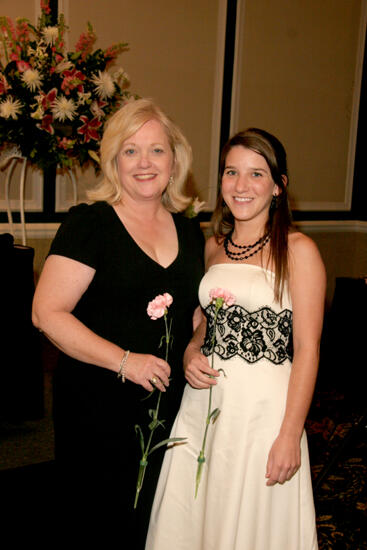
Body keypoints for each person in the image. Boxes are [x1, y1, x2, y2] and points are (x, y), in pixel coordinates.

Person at [32, 99, 205, 542]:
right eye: (130, 151)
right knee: (102, 523)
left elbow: (196, 310)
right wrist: (126, 361)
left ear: (175, 159)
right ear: (112, 162)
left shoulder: (189, 229)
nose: (144, 163)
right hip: (98, 407)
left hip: (169, 408)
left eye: (156, 150)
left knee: (159, 522)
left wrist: (192, 346)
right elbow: (46, 312)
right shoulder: (90, 225)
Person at [146, 128, 326, 550]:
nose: (241, 186)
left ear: (279, 187)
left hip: (264, 413)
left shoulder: (299, 251)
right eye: (231, 172)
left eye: (256, 174)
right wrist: (191, 349)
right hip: (205, 405)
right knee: (196, 513)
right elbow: (209, 320)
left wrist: (289, 434)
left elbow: (308, 351)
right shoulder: (213, 248)